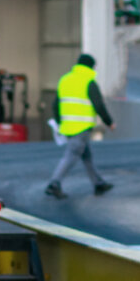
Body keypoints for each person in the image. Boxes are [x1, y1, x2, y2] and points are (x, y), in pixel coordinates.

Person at [46, 54, 115, 199]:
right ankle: (54, 184)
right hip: (82, 127)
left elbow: (55, 104)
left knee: (87, 156)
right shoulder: (89, 82)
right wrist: (109, 122)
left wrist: (59, 123)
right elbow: (99, 105)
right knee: (71, 155)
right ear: (91, 67)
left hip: (68, 127)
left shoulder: (65, 80)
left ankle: (98, 184)